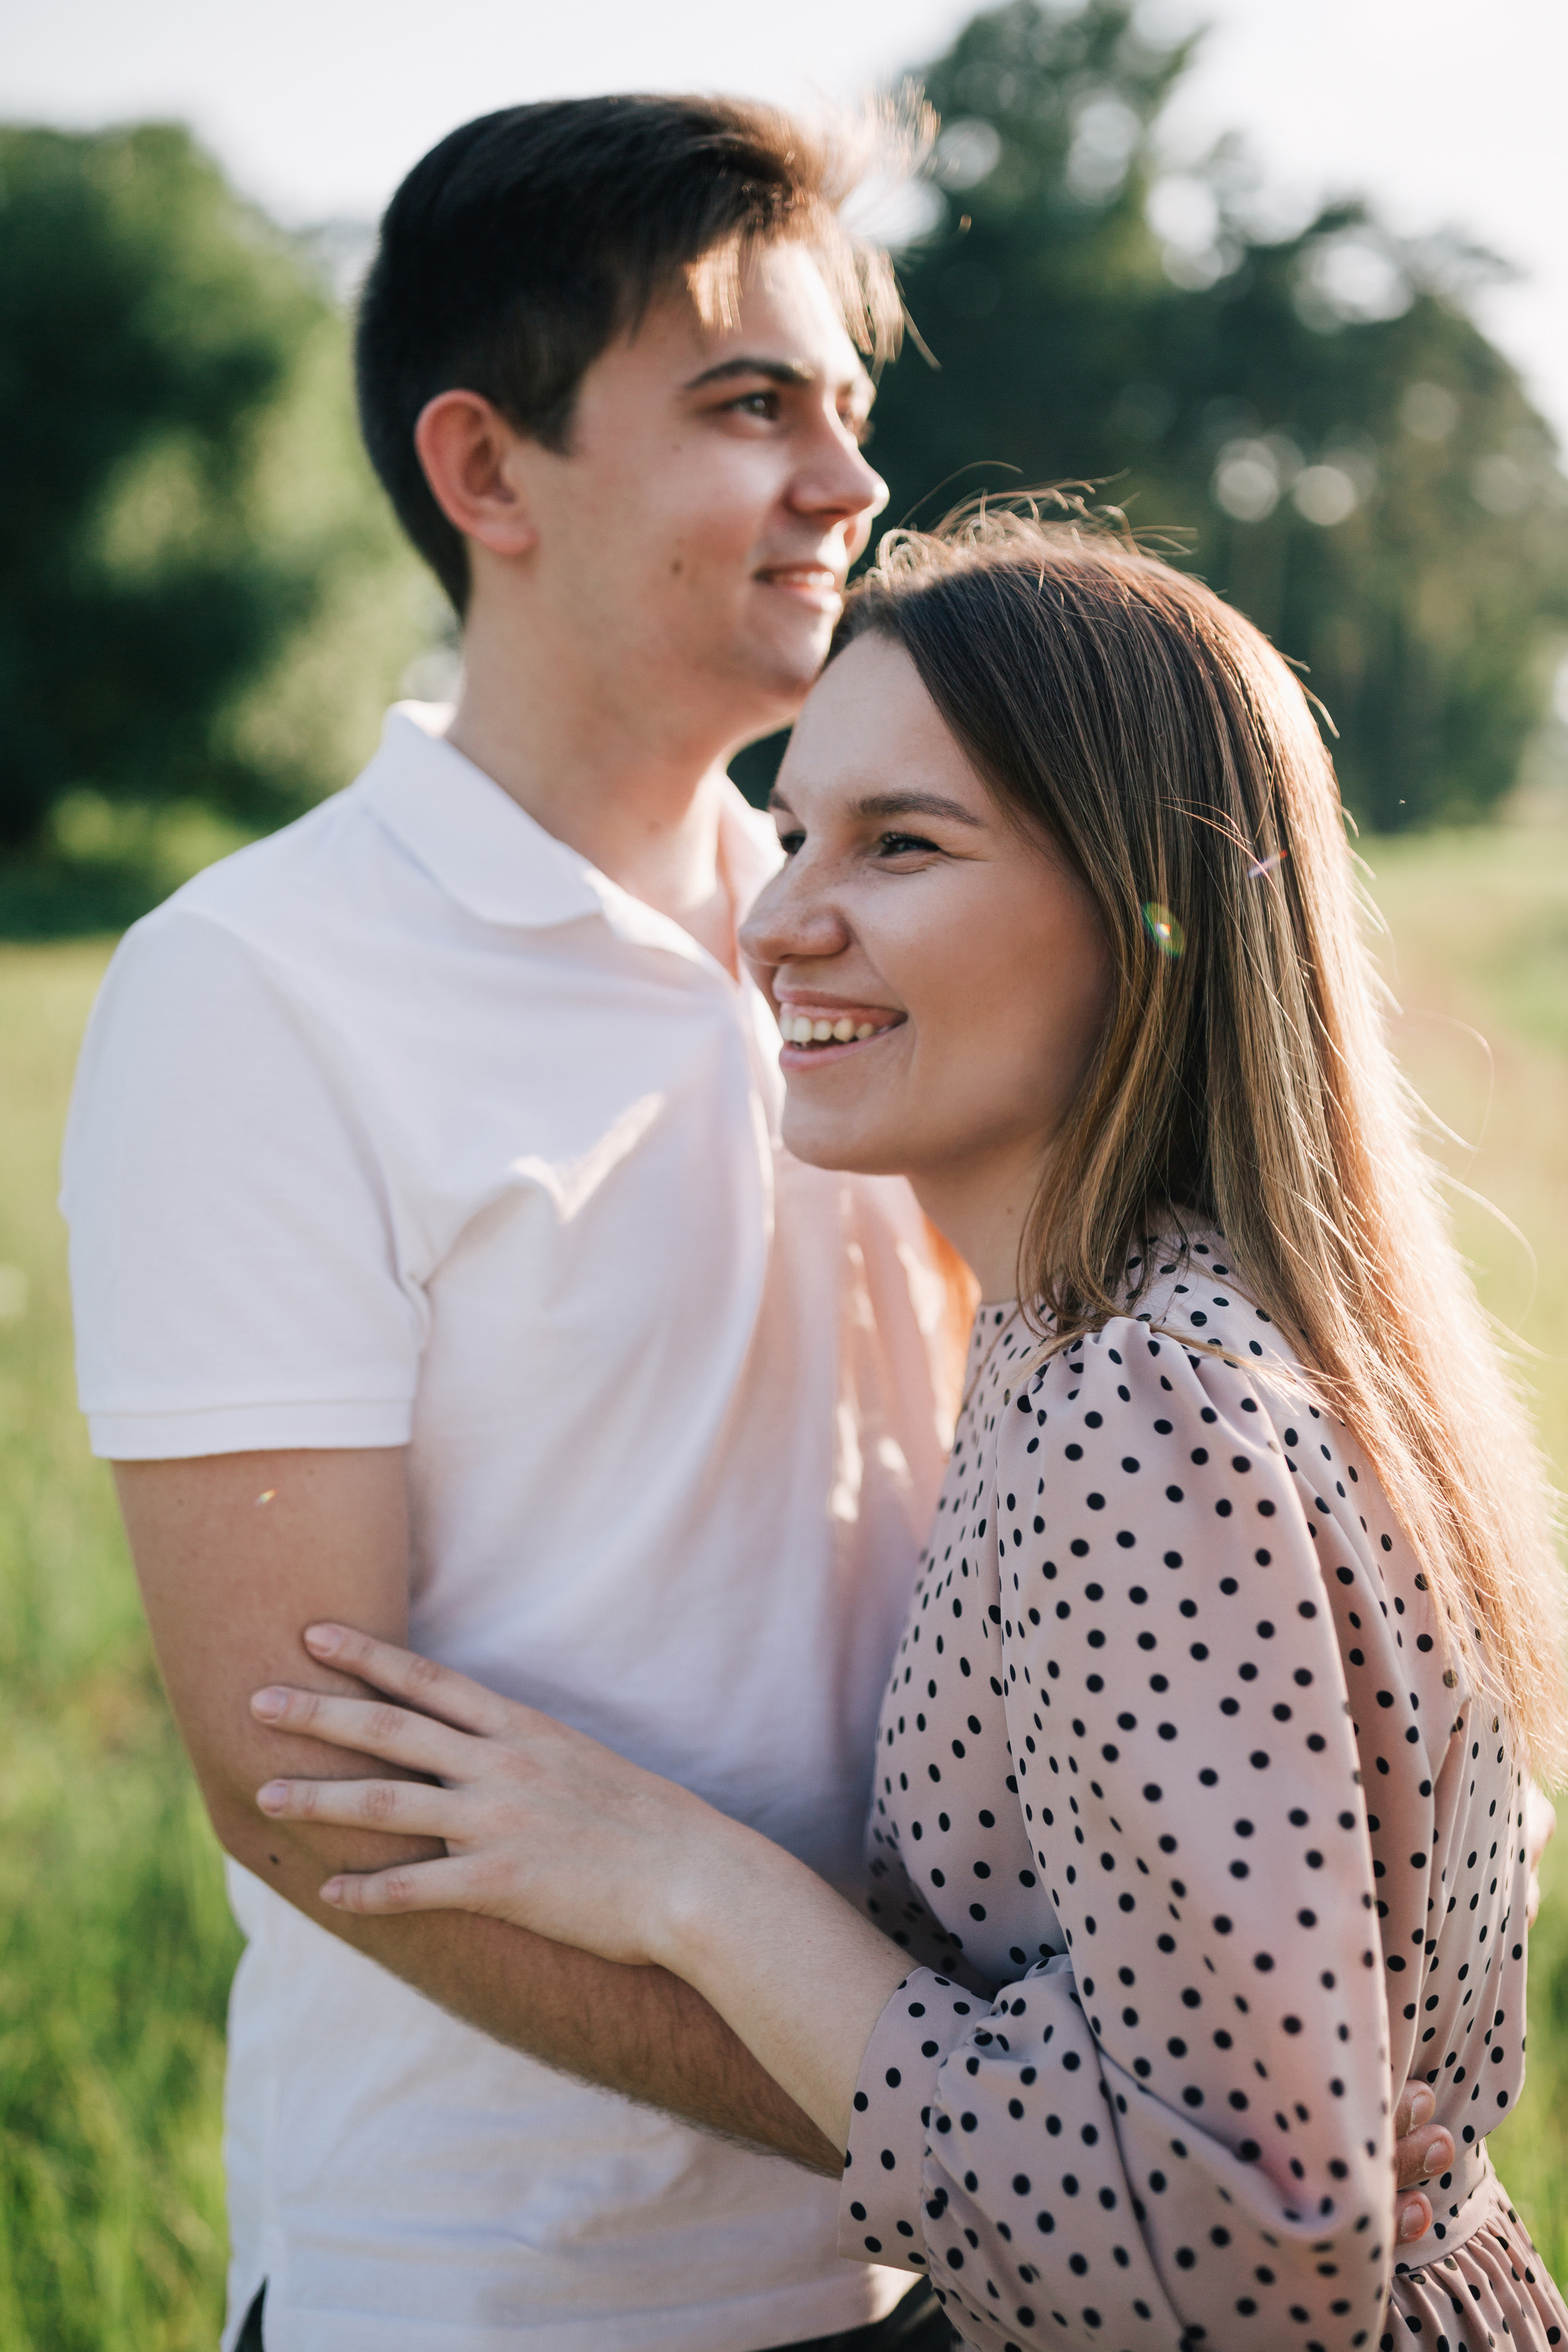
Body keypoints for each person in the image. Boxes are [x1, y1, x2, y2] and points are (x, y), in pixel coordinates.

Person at [247, 515, 1568, 2352]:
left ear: (1143, 908)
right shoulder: (1118, 1331)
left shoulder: (1142, 1408)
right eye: (795, 834)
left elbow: (1254, 2278)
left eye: (902, 842)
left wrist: (685, 1883)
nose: (777, 917)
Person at [62, 94, 968, 2352]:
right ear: (487, 474)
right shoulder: (257, 985)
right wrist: (954, 2113)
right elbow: (307, 1789)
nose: (848, 489)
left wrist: (986, 2154)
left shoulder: (876, 939)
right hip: (498, 2291)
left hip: (956, 2274)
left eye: (848, 414)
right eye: (751, 406)